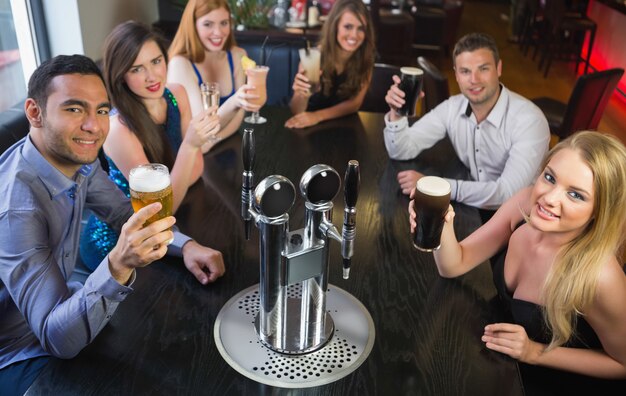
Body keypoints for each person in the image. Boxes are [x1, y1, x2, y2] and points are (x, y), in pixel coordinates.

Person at [0, 55, 225, 396]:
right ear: (35, 113)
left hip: (63, 307)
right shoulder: (16, 209)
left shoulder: (76, 158)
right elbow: (56, 340)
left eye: (101, 110)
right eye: (74, 109)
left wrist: (188, 247)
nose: (94, 126)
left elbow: (123, 215)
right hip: (18, 353)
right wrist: (118, 264)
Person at [410, 131, 626, 392]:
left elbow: (621, 363)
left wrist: (534, 352)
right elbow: (453, 265)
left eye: (576, 195)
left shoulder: (601, 277)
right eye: (550, 178)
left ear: (599, 211)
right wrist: (441, 223)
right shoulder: (525, 204)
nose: (549, 198)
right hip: (502, 363)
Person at [79, 21, 219, 271]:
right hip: (119, 242)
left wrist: (190, 152)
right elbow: (157, 212)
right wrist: (189, 146)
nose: (152, 76)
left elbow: (196, 172)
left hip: (166, 229)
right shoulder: (118, 129)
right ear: (121, 75)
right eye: (136, 69)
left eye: (156, 61)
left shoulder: (176, 94)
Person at [385, 32, 550, 213]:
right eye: (465, 71)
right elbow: (401, 150)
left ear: (499, 68)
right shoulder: (452, 108)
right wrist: (397, 113)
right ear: (456, 75)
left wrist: (437, 186)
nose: (474, 79)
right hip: (471, 203)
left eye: (483, 69)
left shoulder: (530, 121)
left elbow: (507, 194)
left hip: (522, 216)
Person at [167, 0, 261, 152]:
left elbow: (238, 119)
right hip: (186, 160)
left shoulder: (238, 55)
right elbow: (201, 130)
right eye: (208, 24)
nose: (218, 32)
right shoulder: (180, 64)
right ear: (193, 25)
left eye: (224, 23)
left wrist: (211, 142)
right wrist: (234, 101)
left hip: (222, 148)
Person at [285, 0, 376, 129]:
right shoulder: (314, 57)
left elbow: (354, 104)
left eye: (361, 28)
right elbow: (297, 111)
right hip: (305, 125)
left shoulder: (366, 59)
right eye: (348, 27)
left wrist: (318, 116)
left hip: (339, 126)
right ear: (335, 27)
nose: (354, 35)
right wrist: (300, 94)